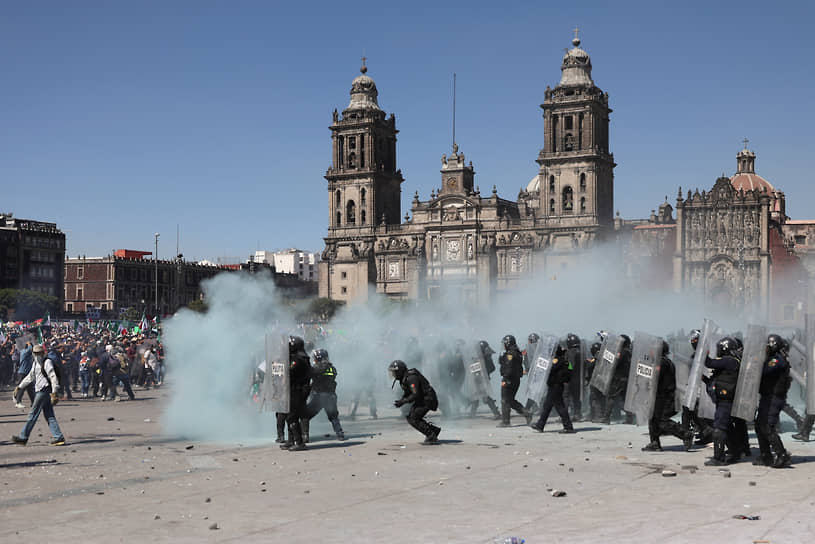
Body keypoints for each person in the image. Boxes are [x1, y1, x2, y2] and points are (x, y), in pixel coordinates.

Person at [642, 341, 693, 451]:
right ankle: (654, 442)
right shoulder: (665, 361)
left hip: (665, 397)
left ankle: (685, 434)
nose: (651, 352)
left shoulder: (662, 362)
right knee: (653, 419)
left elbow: (655, 378)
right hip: (660, 395)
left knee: (661, 420)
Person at [12, 344, 65, 446]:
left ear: (43, 353)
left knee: (33, 414)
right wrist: (20, 386)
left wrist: (55, 392)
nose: (37, 355)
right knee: (49, 415)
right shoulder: (35, 363)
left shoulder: (47, 362)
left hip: (43, 390)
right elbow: (30, 376)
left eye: (39, 353)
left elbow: (53, 376)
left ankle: (23, 437)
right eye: (35, 353)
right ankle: (58, 437)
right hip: (41, 390)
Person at [754, 334, 792, 467]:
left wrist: (757, 362)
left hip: (774, 398)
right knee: (759, 426)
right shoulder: (772, 359)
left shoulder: (777, 360)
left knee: (767, 426)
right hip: (767, 397)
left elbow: (765, 371)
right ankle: (766, 456)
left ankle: (782, 455)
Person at [704, 337, 741, 466]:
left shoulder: (729, 360)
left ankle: (718, 458)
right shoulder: (732, 361)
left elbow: (709, 363)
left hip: (725, 401)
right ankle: (735, 453)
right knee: (727, 428)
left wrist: (702, 351)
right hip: (725, 400)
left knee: (719, 428)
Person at [389, 359, 441, 444]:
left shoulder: (411, 378)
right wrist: (400, 401)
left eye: (394, 372)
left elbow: (415, 394)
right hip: (423, 399)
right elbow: (408, 393)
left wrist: (403, 401)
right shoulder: (404, 378)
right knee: (411, 417)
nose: (393, 374)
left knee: (413, 418)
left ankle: (431, 435)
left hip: (428, 399)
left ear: (399, 371)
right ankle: (433, 430)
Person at [301, 349, 345, 442]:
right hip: (331, 396)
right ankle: (340, 434)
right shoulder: (332, 368)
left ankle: (305, 436)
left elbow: (309, 374)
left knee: (305, 416)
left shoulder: (317, 368)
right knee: (333, 416)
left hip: (320, 397)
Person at [530, 342, 575, 433]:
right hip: (554, 386)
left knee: (560, 407)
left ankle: (568, 427)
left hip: (555, 386)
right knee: (547, 406)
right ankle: (540, 425)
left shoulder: (557, 360)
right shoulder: (563, 359)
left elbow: (550, 369)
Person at [682, 329, 714, 445]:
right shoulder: (695, 354)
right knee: (690, 409)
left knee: (692, 409)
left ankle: (704, 431)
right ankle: (705, 431)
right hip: (695, 385)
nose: (694, 342)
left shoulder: (706, 353)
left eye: (696, 340)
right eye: (693, 340)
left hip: (703, 385)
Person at [280, 336, 310, 451]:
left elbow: (289, 372)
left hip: (297, 390)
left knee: (292, 416)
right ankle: (291, 441)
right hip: (297, 390)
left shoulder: (297, 359)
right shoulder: (302, 358)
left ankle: (299, 442)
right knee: (290, 415)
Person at [498, 335, 532, 427]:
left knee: (505, 400)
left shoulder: (510, 354)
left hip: (509, 379)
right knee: (510, 401)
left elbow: (509, 368)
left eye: (505, 344)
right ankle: (527, 413)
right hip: (516, 380)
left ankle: (505, 421)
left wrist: (505, 378)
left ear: (508, 343)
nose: (504, 346)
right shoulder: (517, 352)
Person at [599, 335, 634, 425]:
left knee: (611, 397)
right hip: (626, 379)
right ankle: (630, 417)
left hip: (618, 379)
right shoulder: (630, 352)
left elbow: (615, 363)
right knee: (623, 399)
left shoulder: (622, 352)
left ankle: (606, 418)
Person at [467, 340, 501, 419]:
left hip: (482, 380)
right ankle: (472, 414)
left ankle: (496, 413)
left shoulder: (483, 358)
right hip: (479, 379)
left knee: (484, 397)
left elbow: (492, 368)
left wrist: (484, 371)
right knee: (477, 395)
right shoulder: (480, 357)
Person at [564, 333, 583, 421]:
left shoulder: (571, 352)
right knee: (576, 397)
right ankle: (577, 414)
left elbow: (571, 365)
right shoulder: (580, 352)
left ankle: (565, 415)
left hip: (570, 378)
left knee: (566, 396)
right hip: (577, 378)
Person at [585, 342, 605, 422]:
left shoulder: (596, 359)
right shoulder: (603, 358)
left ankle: (598, 416)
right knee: (595, 399)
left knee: (595, 399)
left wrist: (589, 362)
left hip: (595, 381)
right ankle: (593, 415)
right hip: (600, 381)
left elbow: (590, 367)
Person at [15, 342, 35, 406]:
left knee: (30, 388)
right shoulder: (24, 352)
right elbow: (30, 348)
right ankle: (18, 402)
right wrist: (29, 343)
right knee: (22, 387)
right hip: (22, 373)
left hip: (27, 373)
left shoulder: (29, 354)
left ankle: (33, 402)